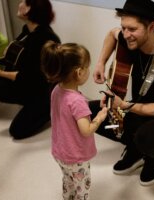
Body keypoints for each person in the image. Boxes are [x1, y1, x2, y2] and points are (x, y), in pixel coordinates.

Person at [90, 0, 154, 186]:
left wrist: (124, 106)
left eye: (132, 29)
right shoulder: (129, 40)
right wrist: (100, 63)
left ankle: (152, 154)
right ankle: (134, 147)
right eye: (124, 28)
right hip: (137, 108)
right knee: (88, 112)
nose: (126, 35)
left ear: (151, 27)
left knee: (145, 136)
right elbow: (112, 34)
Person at [41, 41, 108, 200]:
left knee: (68, 181)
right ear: (79, 72)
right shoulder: (78, 101)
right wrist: (99, 117)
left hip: (60, 152)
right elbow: (86, 130)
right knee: (82, 189)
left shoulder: (57, 90)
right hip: (76, 156)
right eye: (87, 67)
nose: (89, 70)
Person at [0, 0, 60, 139]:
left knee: (17, 131)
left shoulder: (45, 38)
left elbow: (28, 76)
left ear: (33, 10)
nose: (20, 4)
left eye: (25, 2)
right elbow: (17, 57)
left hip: (40, 91)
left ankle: (49, 109)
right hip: (26, 84)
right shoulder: (27, 30)